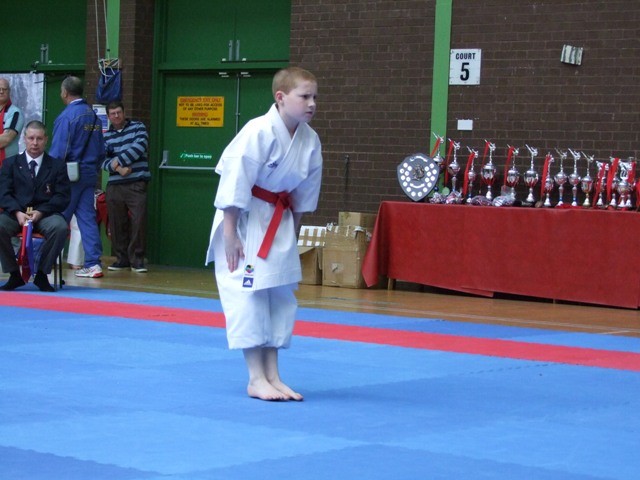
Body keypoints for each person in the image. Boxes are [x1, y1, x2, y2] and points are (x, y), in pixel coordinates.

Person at [205, 67, 323, 401]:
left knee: (278, 296)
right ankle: (255, 378)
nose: (312, 103)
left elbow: (303, 196)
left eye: (315, 97)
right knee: (249, 295)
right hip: (244, 220)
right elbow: (234, 183)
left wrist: (292, 237)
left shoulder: (310, 140)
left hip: (279, 221)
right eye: (304, 96)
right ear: (280, 97)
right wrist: (230, 235)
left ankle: (273, 376)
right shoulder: (257, 131)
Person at [0, 121, 70, 292]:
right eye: (31, 138)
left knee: (60, 227)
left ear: (46, 139)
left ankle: (42, 274)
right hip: (16, 214)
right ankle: (14, 274)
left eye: (39, 138)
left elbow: (63, 197)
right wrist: (17, 212)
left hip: (45, 214)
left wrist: (41, 212)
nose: (35, 143)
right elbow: (3, 193)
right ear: (24, 139)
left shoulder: (57, 166)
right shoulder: (10, 164)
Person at [49, 76, 105, 278]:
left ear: (65, 92)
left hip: (69, 175)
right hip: (89, 174)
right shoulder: (94, 117)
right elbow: (101, 150)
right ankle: (93, 263)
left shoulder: (67, 117)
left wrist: (50, 176)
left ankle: (46, 260)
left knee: (58, 217)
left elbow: (59, 152)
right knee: (87, 218)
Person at [102, 100, 151, 272]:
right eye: (112, 114)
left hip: (136, 182)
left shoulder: (138, 127)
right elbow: (101, 159)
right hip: (115, 184)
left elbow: (139, 147)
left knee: (139, 221)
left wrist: (117, 161)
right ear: (108, 117)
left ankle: (137, 260)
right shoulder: (105, 136)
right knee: (116, 223)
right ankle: (121, 259)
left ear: (124, 113)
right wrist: (119, 168)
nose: (116, 116)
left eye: (119, 112)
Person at [0, 78, 25, 167]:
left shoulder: (15, 112)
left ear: (9, 91)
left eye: (4, 89)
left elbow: (6, 139)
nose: (1, 92)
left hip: (7, 166)